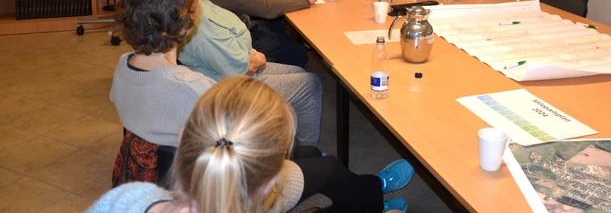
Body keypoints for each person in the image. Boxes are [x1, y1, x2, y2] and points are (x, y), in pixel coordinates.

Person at [88, 77, 413, 213]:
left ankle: (367, 192)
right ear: (275, 181)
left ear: (183, 134)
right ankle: (372, 194)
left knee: (314, 156)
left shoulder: (125, 198)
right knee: (326, 166)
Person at [157, 0, 322, 146]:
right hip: (228, 86)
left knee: (297, 70)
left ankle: (279, 137)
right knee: (310, 83)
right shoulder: (193, 15)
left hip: (229, 67)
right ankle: (303, 153)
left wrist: (249, 53)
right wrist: (255, 57)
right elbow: (238, 67)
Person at [110, 0, 216, 150]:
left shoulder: (122, 67)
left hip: (140, 173)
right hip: (191, 176)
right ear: (185, 27)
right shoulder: (197, 89)